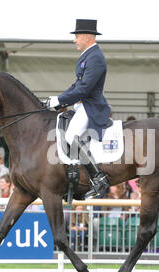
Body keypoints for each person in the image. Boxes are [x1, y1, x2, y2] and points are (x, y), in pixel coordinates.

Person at [45, 19, 110, 198]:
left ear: (88, 37)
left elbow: (84, 89)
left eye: (77, 36)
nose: (75, 40)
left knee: (72, 135)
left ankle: (99, 178)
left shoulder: (95, 57)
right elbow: (77, 85)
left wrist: (60, 99)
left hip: (91, 107)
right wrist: (58, 100)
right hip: (82, 105)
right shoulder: (89, 56)